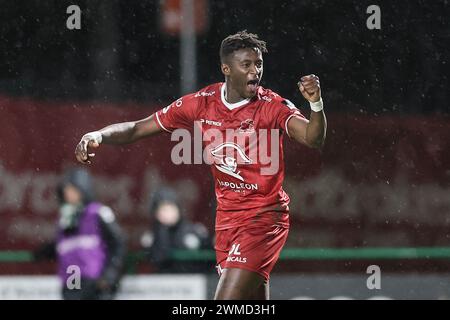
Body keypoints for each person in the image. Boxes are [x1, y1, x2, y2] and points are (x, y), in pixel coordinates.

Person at [75, 30, 327, 299]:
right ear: (226, 68)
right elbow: (138, 128)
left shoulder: (271, 105)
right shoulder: (201, 103)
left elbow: (314, 139)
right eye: (247, 65)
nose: (256, 71)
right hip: (227, 222)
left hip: (264, 219)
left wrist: (315, 104)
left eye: (259, 64)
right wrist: (98, 134)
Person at [34, 167, 127, 300]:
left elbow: (118, 243)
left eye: (72, 189)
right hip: (72, 280)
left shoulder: (98, 213)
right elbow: (65, 245)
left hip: (95, 280)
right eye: (66, 190)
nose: (68, 194)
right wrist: (44, 251)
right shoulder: (65, 217)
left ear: (83, 189)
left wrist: (109, 275)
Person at [141, 187, 212, 273]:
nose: (168, 214)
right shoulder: (151, 236)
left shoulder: (194, 231)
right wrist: (163, 232)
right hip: (163, 281)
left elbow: (210, 258)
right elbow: (157, 258)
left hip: (194, 279)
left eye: (171, 208)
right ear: (156, 213)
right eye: (163, 210)